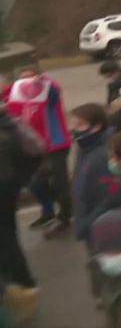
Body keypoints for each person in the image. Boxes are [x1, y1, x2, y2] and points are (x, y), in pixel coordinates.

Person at [2, 66, 73, 237]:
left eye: (30, 78)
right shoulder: (17, 97)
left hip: (56, 145)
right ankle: (48, 212)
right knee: (35, 183)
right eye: (22, 79)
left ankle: (65, 217)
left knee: (59, 183)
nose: (27, 83)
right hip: (35, 147)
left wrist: (43, 81)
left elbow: (54, 90)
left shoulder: (48, 95)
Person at [70, 104, 121, 305]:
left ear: (97, 126)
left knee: (109, 271)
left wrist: (87, 224)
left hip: (100, 227)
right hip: (89, 223)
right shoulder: (85, 148)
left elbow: (111, 197)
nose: (75, 129)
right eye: (74, 123)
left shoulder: (102, 155)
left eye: (80, 124)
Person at [0, 101, 44, 321]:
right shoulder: (11, 124)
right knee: (8, 236)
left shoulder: (3, 136)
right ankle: (21, 281)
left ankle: (20, 284)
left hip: (4, 191)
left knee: (6, 238)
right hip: (10, 190)